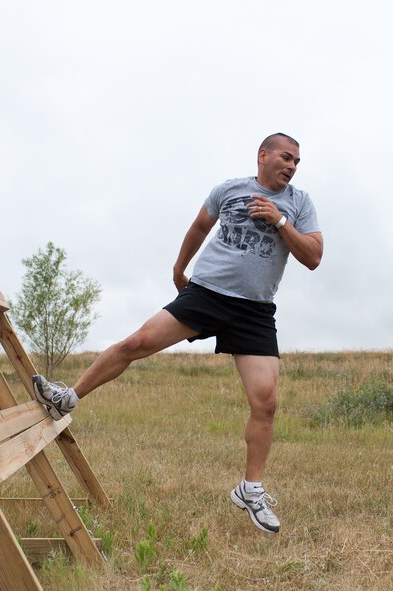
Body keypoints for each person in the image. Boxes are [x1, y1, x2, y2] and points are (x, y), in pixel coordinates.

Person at [33, 132, 323, 533]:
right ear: (263, 155)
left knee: (266, 401)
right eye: (286, 157)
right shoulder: (229, 190)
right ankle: (68, 397)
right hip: (207, 293)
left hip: (254, 310)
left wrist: (279, 220)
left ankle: (250, 489)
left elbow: (313, 257)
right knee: (136, 343)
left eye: (296, 162)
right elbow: (199, 227)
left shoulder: (299, 203)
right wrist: (178, 269)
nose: (291, 166)